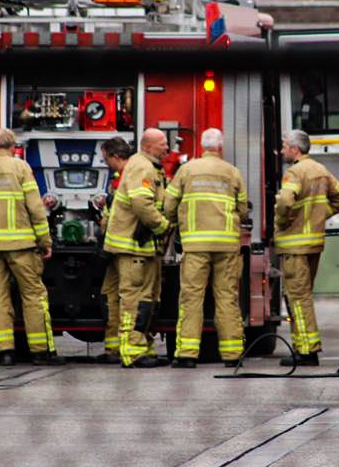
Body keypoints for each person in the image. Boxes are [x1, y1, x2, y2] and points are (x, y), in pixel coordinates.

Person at [0, 128, 59, 366]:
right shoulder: (21, 169)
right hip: (20, 244)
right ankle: (40, 351)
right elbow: (36, 209)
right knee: (33, 295)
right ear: (13, 147)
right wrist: (45, 241)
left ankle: (4, 351)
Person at [163, 127, 250, 368]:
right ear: (220, 147)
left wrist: (174, 221)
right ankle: (232, 355)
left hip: (196, 245)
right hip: (227, 246)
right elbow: (243, 211)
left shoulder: (187, 170)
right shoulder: (232, 173)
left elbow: (169, 204)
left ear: (202, 147)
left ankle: (187, 354)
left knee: (191, 298)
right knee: (227, 298)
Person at [272, 129, 339, 367]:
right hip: (313, 244)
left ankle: (306, 351)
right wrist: (317, 217)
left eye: (285, 146)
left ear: (295, 149)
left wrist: (283, 221)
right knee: (303, 296)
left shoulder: (294, 172)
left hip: (295, 247)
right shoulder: (320, 170)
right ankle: (304, 346)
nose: (282, 150)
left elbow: (285, 201)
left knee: (297, 298)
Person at [105, 127, 172, 368]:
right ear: (148, 146)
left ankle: (143, 346)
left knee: (147, 300)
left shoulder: (146, 166)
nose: (167, 147)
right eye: (163, 143)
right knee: (134, 301)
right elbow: (142, 203)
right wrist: (162, 226)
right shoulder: (142, 166)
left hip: (142, 248)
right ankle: (132, 352)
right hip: (133, 248)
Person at [95, 136, 134, 363]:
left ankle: (128, 347)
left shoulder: (131, 176)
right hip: (114, 246)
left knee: (128, 297)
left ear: (116, 156)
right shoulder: (118, 178)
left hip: (125, 247)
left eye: (106, 158)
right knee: (110, 295)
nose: (105, 162)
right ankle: (113, 347)